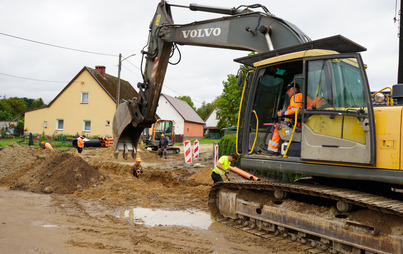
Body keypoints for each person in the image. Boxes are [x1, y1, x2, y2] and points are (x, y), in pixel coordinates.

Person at [268, 83, 302, 155]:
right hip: (302, 124)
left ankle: (272, 150)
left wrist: (282, 113)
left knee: (277, 126)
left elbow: (295, 110)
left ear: (294, 89)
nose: (287, 92)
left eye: (288, 90)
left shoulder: (295, 97)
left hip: (298, 126)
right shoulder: (303, 97)